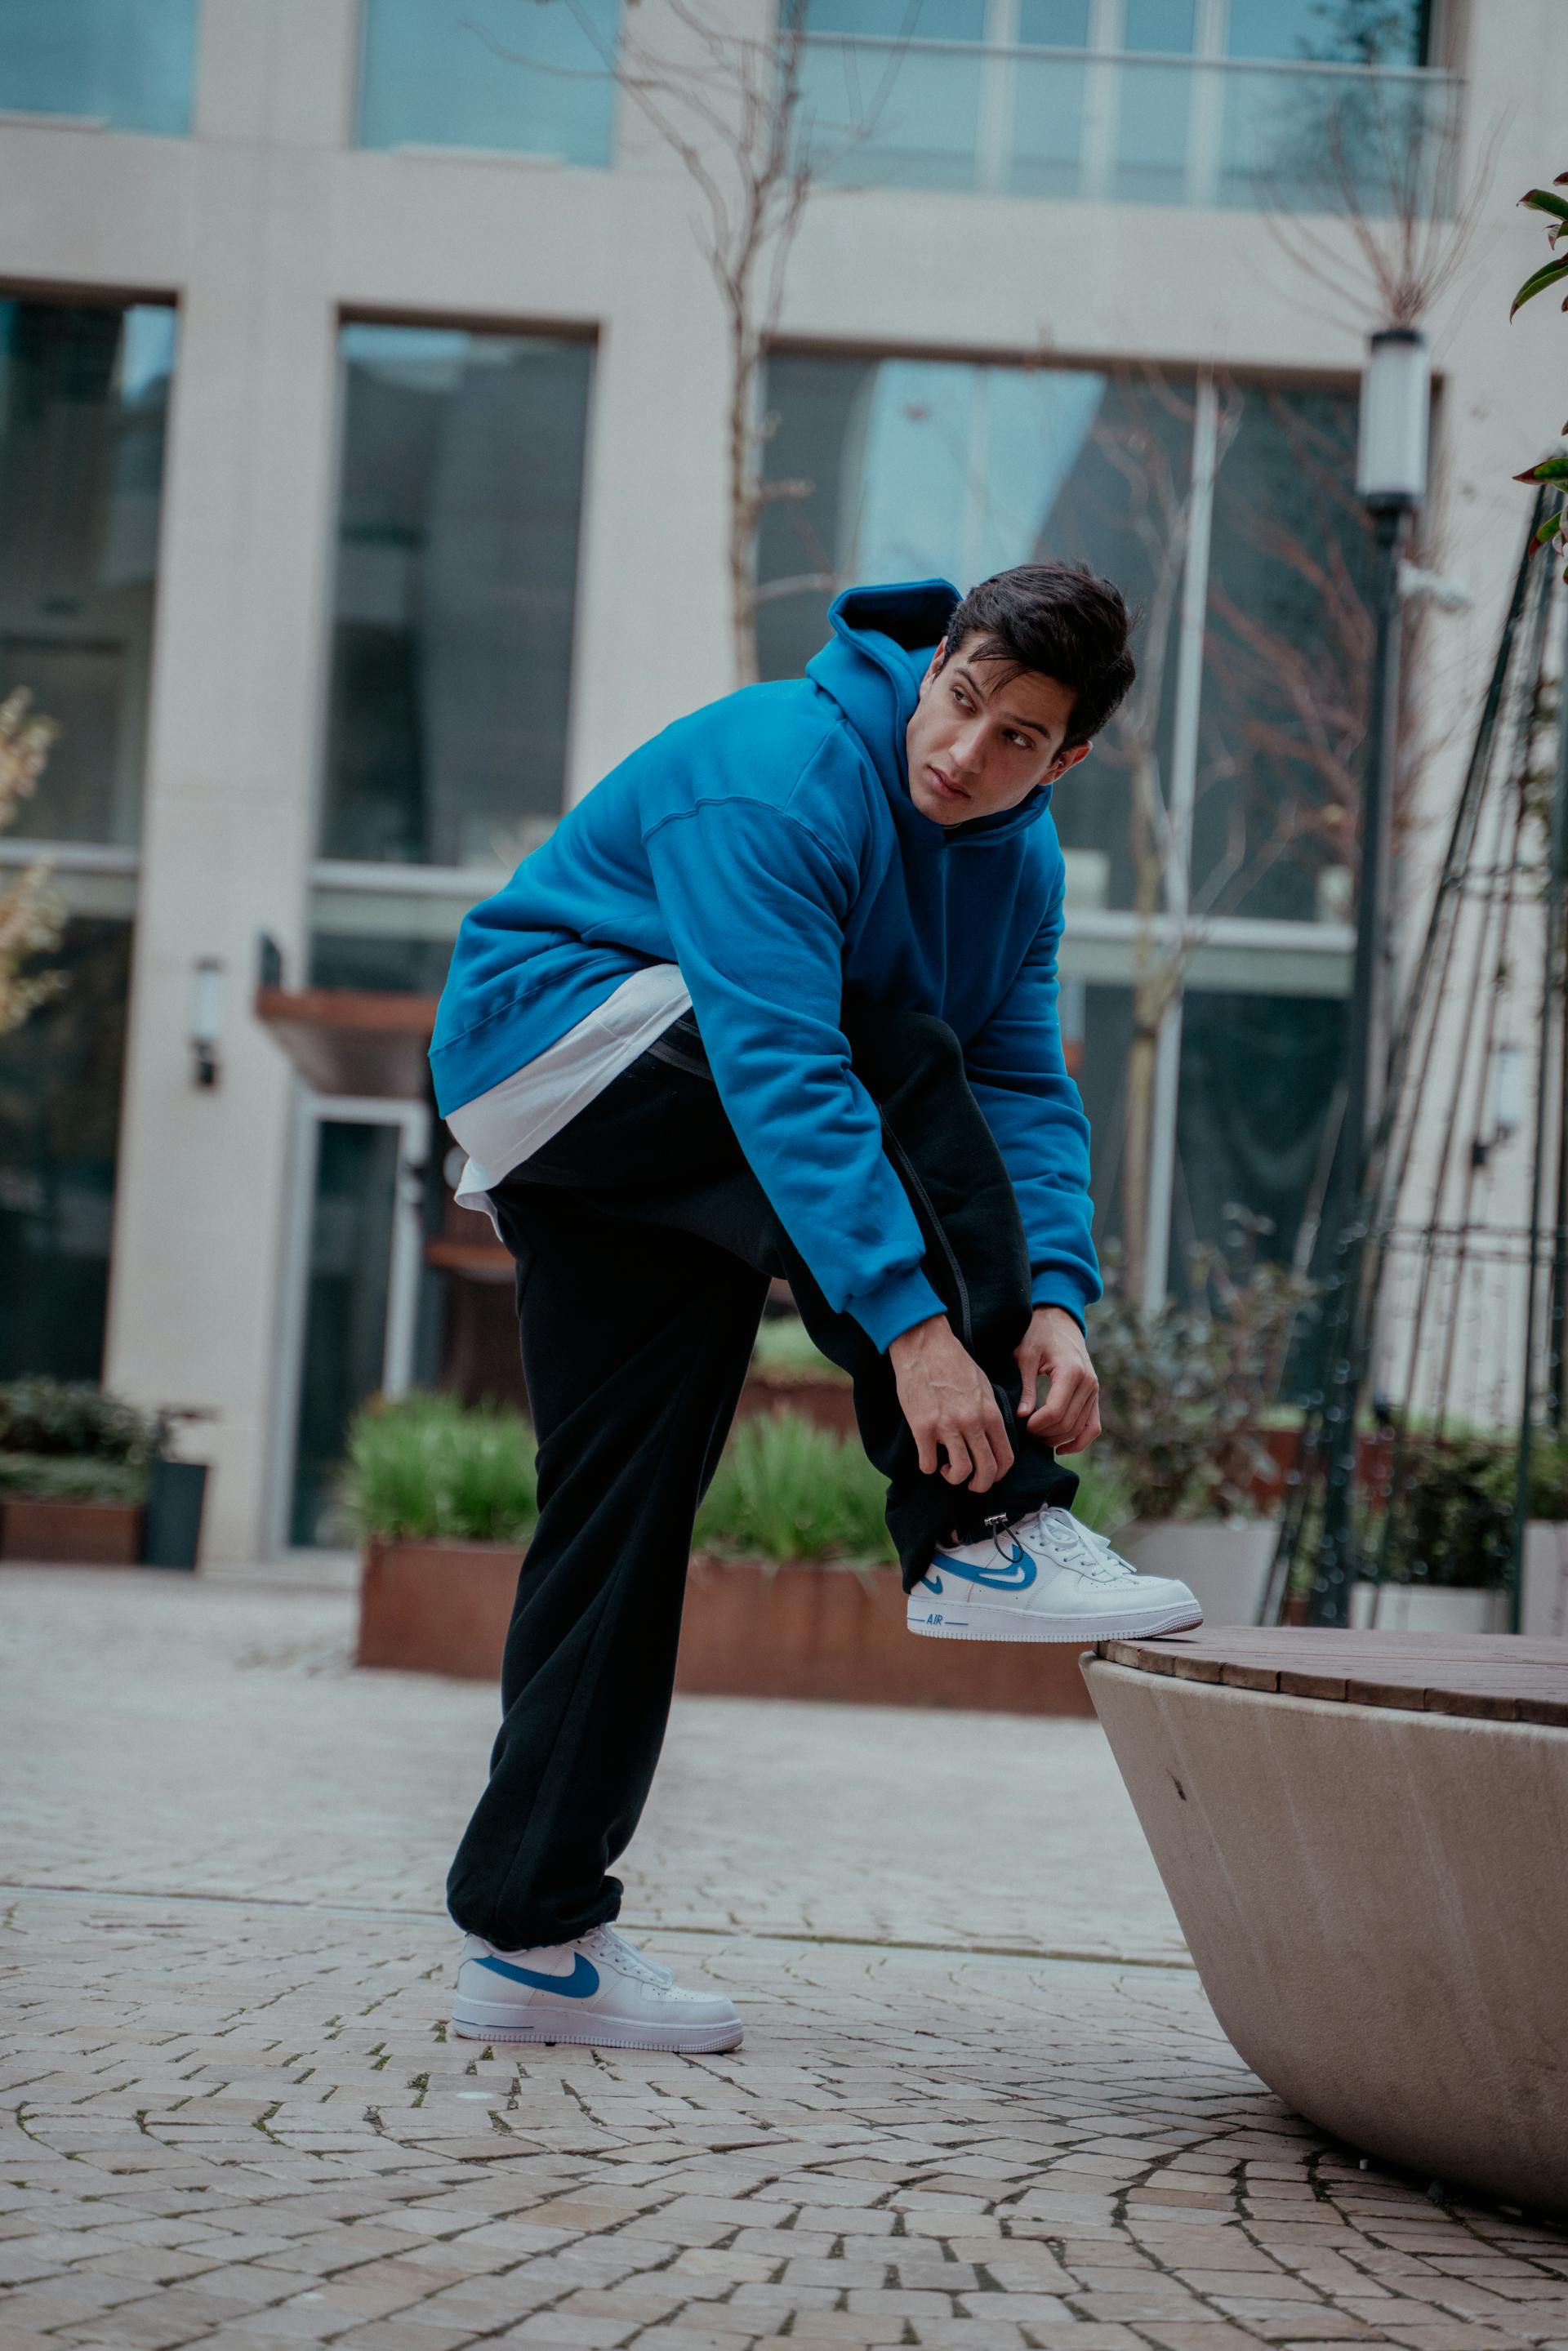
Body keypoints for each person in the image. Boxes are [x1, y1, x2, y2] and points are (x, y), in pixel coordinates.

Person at [430, 566, 1201, 2055]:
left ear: (1068, 761)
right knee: (883, 1050)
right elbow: (794, 1071)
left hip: (659, 1144)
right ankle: (982, 1527)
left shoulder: (1017, 871)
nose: (967, 754)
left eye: (1020, 740)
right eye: (963, 700)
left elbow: (1024, 1087)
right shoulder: (786, 774)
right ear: (934, 666)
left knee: (623, 1513)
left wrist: (1054, 1297)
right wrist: (920, 1341)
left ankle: (529, 1932)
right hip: (556, 1044)